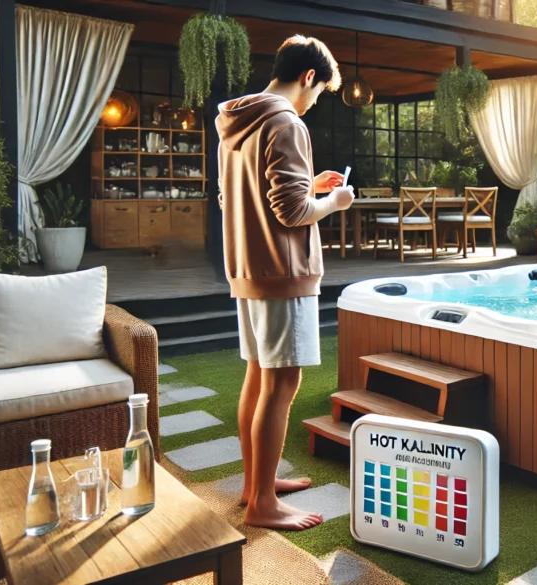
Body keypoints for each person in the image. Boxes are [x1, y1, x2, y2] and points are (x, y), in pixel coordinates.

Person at [215, 35, 353, 531]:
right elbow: (293, 213)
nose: (314, 104)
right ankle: (262, 507)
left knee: (259, 375)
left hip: (248, 270)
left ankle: (258, 487)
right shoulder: (286, 122)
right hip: (283, 272)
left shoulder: (236, 123)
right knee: (282, 381)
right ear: (309, 77)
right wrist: (334, 204)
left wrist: (311, 185)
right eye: (319, 93)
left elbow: (235, 197)